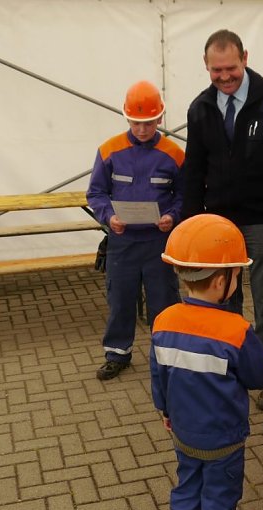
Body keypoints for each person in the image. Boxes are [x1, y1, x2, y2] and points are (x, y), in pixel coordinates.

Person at [151, 214, 263, 510]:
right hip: (223, 439)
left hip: (184, 433)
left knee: (187, 487)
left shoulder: (163, 321)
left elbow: (158, 375)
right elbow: (258, 377)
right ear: (222, 280)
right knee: (220, 498)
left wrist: (165, 410)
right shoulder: (235, 330)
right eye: (237, 275)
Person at [183, 29, 263, 411]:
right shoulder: (200, 108)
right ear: (206, 65)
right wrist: (190, 225)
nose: (224, 77)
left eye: (230, 68)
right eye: (216, 70)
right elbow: (194, 170)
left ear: (244, 58)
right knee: (223, 299)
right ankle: (229, 365)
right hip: (218, 225)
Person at [86, 80, 184, 380]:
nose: (142, 129)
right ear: (127, 117)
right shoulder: (109, 151)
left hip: (159, 243)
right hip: (122, 242)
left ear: (160, 118)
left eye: (149, 122)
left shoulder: (175, 154)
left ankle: (166, 356)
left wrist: (172, 216)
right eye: (137, 122)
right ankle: (117, 354)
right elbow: (96, 193)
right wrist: (108, 216)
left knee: (164, 302)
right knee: (120, 300)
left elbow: (183, 196)